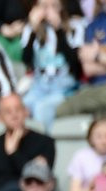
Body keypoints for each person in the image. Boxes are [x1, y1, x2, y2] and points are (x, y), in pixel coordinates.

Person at [19, 0, 81, 133]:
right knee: (20, 108)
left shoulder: (75, 27)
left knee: (42, 109)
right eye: (43, 6)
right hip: (39, 85)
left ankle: (43, 147)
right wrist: (33, 31)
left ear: (61, 7)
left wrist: (58, 29)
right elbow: (26, 60)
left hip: (64, 86)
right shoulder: (30, 29)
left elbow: (75, 64)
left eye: (53, 6)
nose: (48, 11)